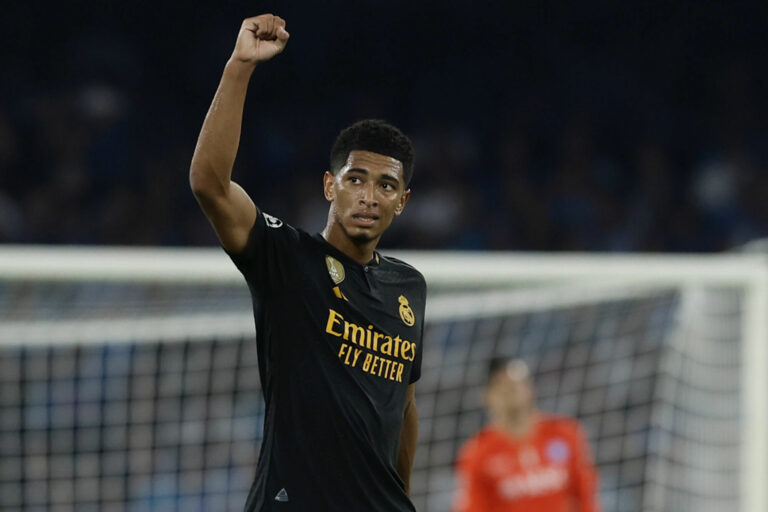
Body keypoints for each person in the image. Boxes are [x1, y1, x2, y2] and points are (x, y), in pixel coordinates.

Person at [189, 14, 426, 512]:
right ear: (329, 186)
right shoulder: (287, 258)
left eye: (385, 186)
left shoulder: (408, 286)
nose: (369, 196)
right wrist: (239, 66)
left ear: (402, 202)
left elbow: (402, 404)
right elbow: (210, 184)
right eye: (355, 179)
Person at [454, 358, 600, 512]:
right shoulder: (478, 453)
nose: (509, 388)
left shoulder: (564, 434)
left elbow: (585, 497)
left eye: (514, 381)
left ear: (530, 386)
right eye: (499, 384)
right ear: (486, 396)